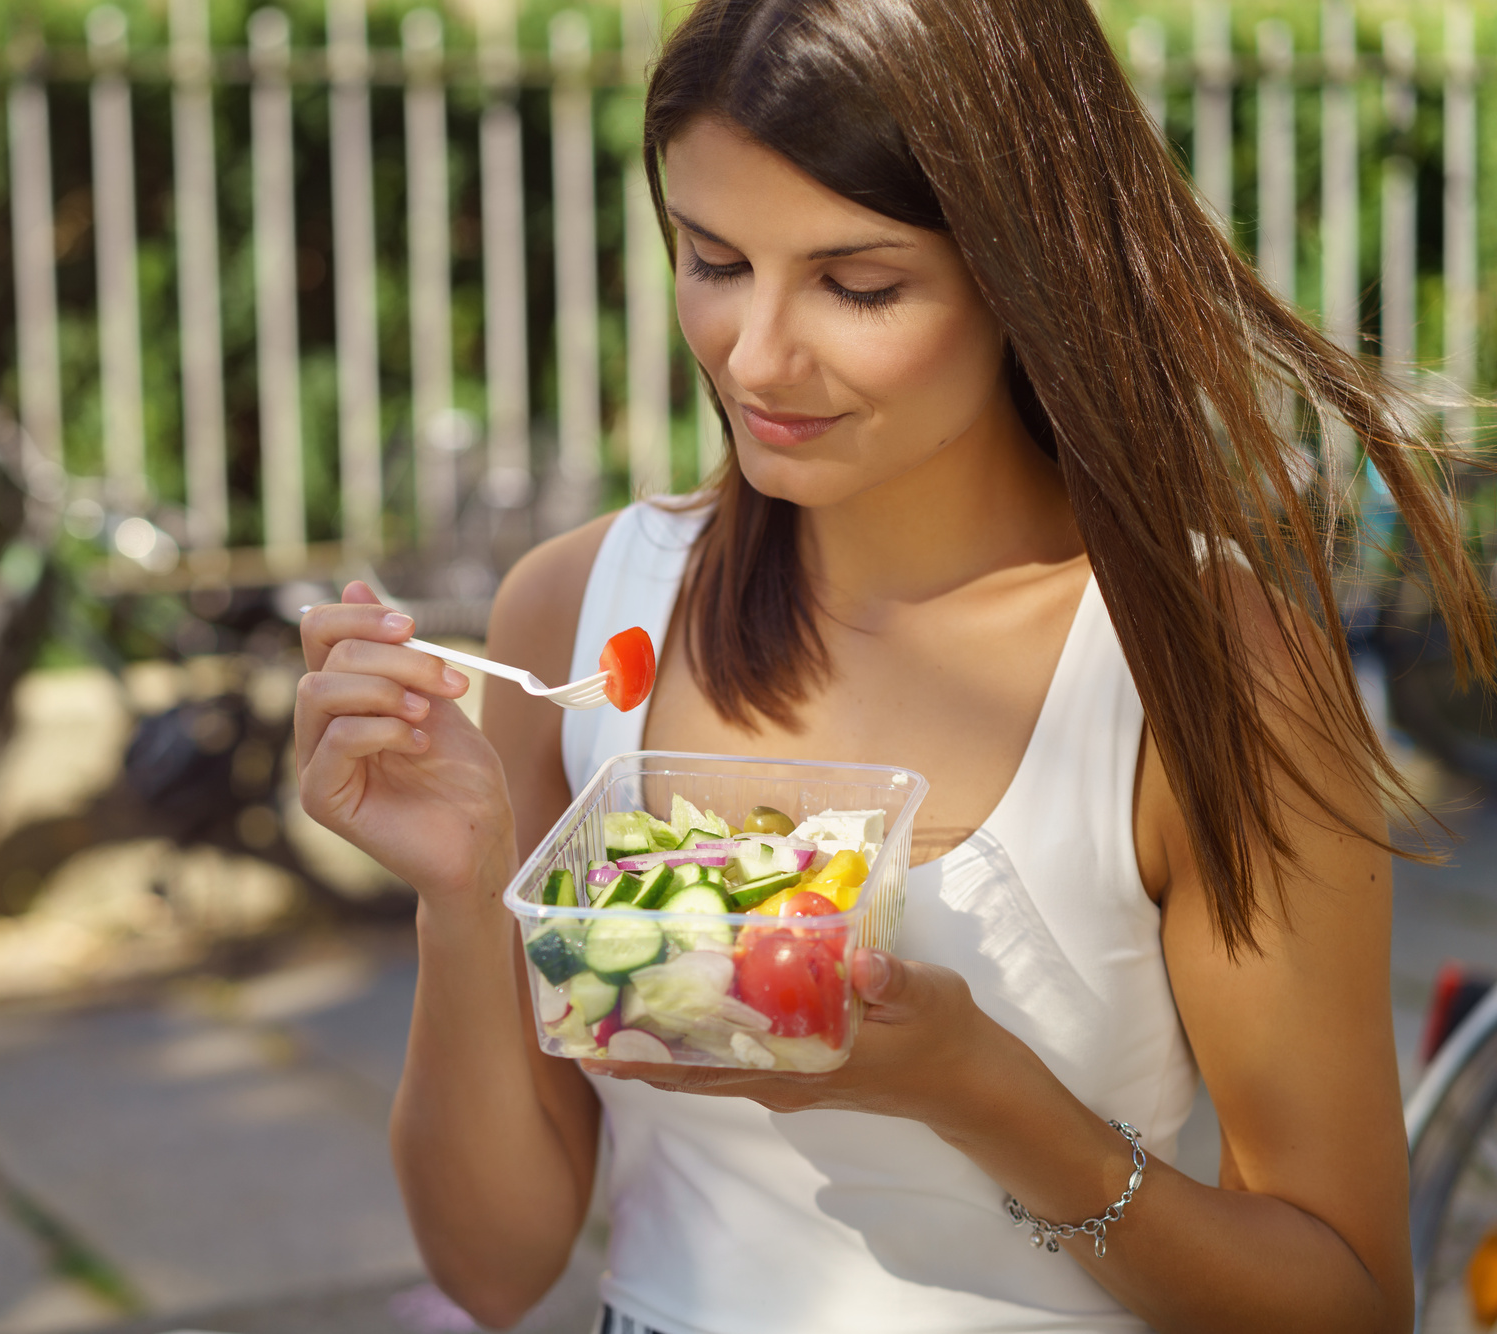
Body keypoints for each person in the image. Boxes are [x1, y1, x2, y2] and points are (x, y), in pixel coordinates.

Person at [294, 0, 1494, 1329]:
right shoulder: (581, 614)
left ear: (1024, 268)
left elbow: (1349, 1297)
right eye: (713, 259)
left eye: (857, 284)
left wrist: (979, 1088)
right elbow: (493, 1265)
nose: (754, 355)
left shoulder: (1203, 669)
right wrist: (463, 897)